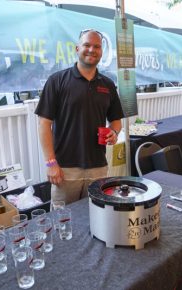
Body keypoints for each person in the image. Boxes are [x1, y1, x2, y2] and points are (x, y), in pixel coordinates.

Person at [35, 29, 124, 204]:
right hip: (65, 169)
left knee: (96, 218)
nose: (92, 50)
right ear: (77, 49)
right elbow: (44, 124)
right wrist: (51, 163)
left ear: (101, 52)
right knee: (63, 221)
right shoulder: (57, 81)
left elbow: (116, 121)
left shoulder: (107, 85)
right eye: (87, 45)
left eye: (97, 46)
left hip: (98, 167)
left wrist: (114, 133)